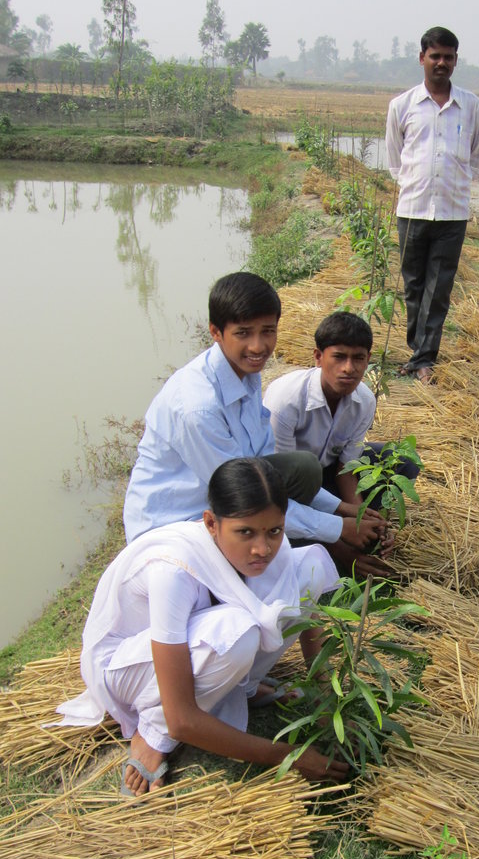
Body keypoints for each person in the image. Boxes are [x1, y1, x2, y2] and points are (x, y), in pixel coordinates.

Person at [56, 458, 348, 795]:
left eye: (275, 531)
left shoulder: (264, 551)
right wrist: (288, 756)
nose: (262, 549)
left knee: (307, 566)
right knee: (238, 630)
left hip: (184, 649)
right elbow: (182, 718)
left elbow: (303, 610)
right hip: (125, 668)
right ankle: (151, 732)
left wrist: (327, 701)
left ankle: (245, 687)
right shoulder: (173, 571)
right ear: (211, 523)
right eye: (245, 532)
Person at [123, 271, 384, 554]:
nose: (259, 347)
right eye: (243, 333)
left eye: (268, 331)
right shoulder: (198, 408)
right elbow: (246, 495)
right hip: (179, 523)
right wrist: (337, 529)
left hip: (229, 495)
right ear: (216, 332)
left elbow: (260, 466)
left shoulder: (245, 372)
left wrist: (341, 508)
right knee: (297, 560)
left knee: (304, 470)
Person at [263, 312, 419, 575]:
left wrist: (359, 517)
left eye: (358, 358)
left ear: (368, 360)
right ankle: (334, 545)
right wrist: (342, 546)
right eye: (338, 357)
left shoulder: (365, 401)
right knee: (296, 484)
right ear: (318, 357)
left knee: (402, 460)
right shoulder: (285, 401)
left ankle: (371, 533)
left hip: (328, 474)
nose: (349, 368)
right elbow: (277, 485)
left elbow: (346, 467)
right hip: (291, 482)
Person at [385, 26, 479, 384]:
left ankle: (424, 358)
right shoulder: (401, 106)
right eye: (435, 56)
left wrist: (457, 183)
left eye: (448, 56)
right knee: (413, 284)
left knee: (438, 287)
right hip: (411, 209)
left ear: (456, 61)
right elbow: (395, 160)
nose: (441, 62)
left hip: (452, 212)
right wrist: (414, 183)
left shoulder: (471, 106)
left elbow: (478, 157)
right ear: (422, 58)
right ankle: (419, 351)